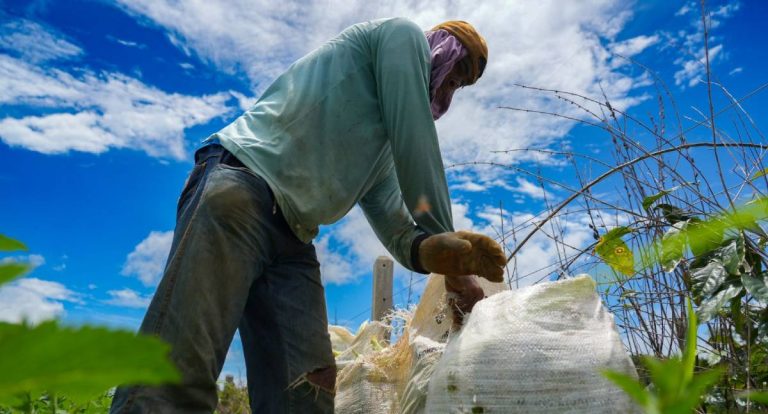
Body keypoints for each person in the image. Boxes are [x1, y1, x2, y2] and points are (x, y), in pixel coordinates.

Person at [110, 17, 506, 414]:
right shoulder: (401, 36)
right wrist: (457, 272)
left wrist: (430, 251)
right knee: (175, 378)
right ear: (439, 48)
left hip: (294, 238)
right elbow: (416, 140)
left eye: (458, 85)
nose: (449, 89)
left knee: (306, 391)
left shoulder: (381, 154)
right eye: (454, 72)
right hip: (240, 188)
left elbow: (397, 226)